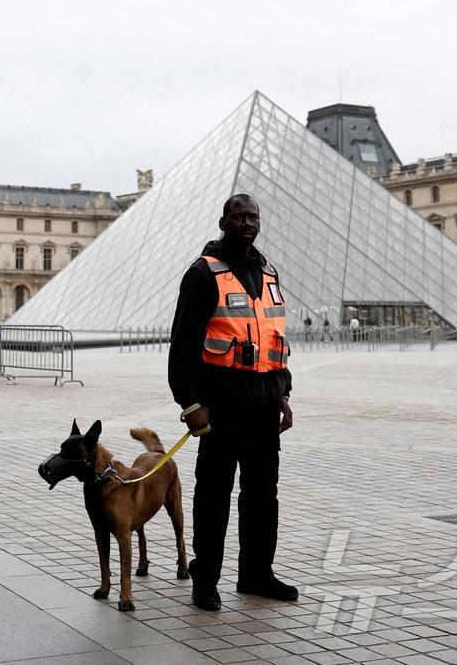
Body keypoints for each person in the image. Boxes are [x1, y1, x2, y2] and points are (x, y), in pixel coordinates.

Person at [168, 193, 296, 611]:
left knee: (263, 495)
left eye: (252, 216)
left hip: (263, 404)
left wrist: (285, 393)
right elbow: (183, 346)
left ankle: (257, 573)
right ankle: (205, 579)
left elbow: (274, 338)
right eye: (238, 216)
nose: (246, 223)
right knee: (213, 496)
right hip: (221, 407)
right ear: (223, 222)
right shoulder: (203, 274)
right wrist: (191, 405)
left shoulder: (269, 271)